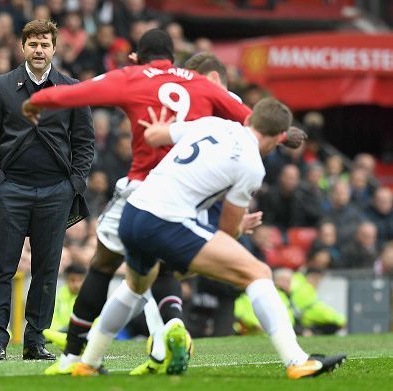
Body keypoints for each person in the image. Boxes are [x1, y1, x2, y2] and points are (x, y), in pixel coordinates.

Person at [22, 28, 306, 374]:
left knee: (105, 266)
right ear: (173, 57)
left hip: (142, 191)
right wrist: (285, 134)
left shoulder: (132, 76)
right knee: (165, 270)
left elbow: (81, 91)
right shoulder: (202, 85)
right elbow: (247, 115)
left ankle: (76, 356)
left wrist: (39, 101)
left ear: (137, 57)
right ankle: (171, 329)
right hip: (194, 198)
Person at [71, 98, 346, 379]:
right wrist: (241, 225)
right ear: (277, 139)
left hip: (133, 212)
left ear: (249, 119)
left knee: (134, 287)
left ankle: (87, 362)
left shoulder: (214, 124)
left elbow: (156, 136)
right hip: (165, 221)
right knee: (258, 272)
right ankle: (297, 360)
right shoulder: (252, 165)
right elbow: (226, 231)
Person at [0, 19, 94, 361]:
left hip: (56, 191)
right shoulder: (1, 85)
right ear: (22, 47)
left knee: (47, 270)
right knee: (1, 269)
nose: (39, 50)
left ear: (55, 48)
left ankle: (35, 341)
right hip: (11, 190)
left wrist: (74, 185)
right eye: (33, 44)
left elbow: (84, 142)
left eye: (45, 44)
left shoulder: (70, 88)